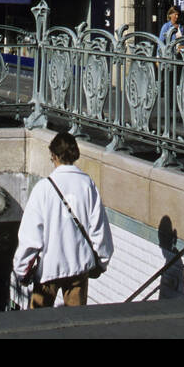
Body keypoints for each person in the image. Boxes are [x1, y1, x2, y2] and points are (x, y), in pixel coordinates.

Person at [12, 131, 113, 309]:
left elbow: (31, 236)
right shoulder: (87, 184)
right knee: (75, 325)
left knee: (38, 324)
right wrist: (102, 261)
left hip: (48, 268)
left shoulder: (43, 188)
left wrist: (21, 271)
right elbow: (99, 228)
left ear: (54, 156)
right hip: (79, 266)